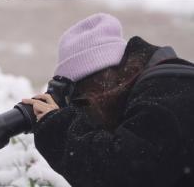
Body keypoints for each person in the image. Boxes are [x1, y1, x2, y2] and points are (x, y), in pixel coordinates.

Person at [22, 13, 194, 187]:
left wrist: (58, 129)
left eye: (83, 101)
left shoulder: (167, 94)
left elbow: (123, 171)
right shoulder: (162, 84)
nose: (86, 114)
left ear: (104, 80)